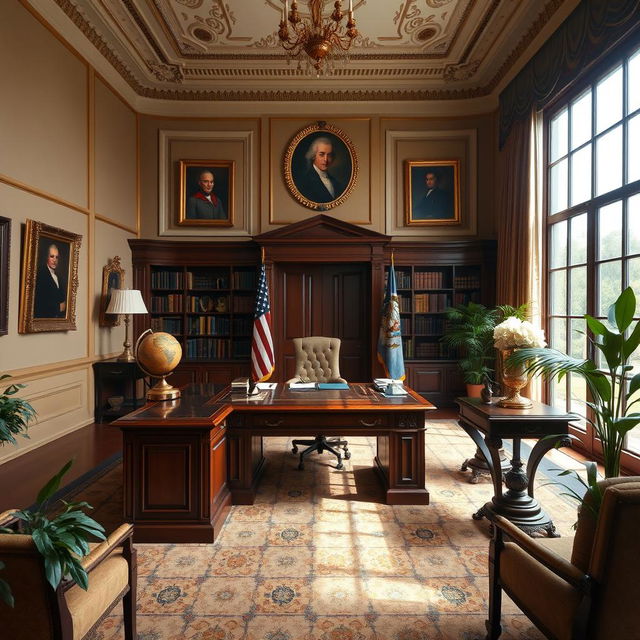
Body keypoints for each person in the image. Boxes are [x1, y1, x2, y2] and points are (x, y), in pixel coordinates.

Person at [296, 137, 346, 204]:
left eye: (329, 155)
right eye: (321, 154)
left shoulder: (336, 183)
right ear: (313, 156)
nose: (326, 159)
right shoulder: (304, 181)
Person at [34, 243, 67, 318]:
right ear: (47, 257)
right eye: (52, 256)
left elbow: (62, 300)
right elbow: (40, 302)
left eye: (57, 257)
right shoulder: (41, 274)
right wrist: (58, 307)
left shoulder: (58, 277)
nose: (54, 260)